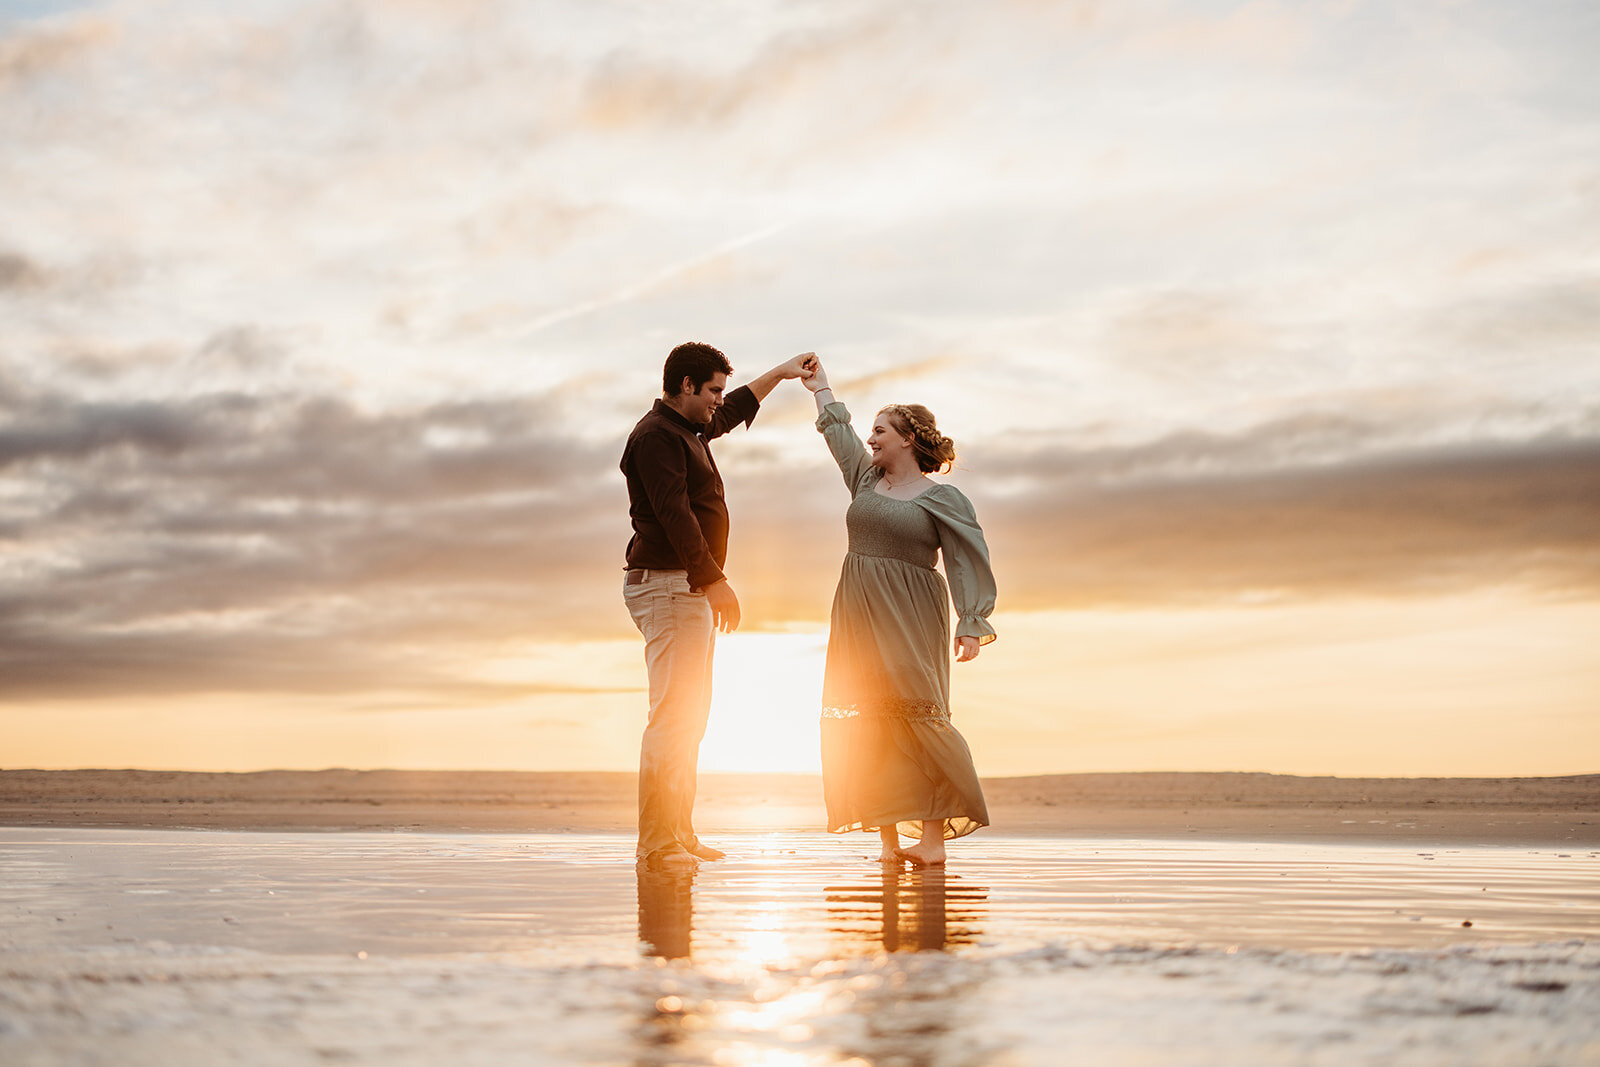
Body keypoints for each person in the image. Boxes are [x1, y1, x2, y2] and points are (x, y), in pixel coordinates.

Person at [621, 341, 815, 868]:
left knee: (691, 718)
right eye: (711, 390)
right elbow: (674, 513)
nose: (717, 401)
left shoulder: (684, 427)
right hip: (669, 585)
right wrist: (715, 580)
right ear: (686, 386)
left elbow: (729, 414)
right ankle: (657, 844)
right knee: (672, 718)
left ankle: (678, 835)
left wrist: (779, 374)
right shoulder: (656, 437)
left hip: (684, 587)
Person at [802, 356, 997, 866]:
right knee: (869, 721)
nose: (871, 439)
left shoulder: (942, 498)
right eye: (871, 431)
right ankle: (888, 844)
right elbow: (837, 433)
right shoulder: (864, 480)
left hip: (913, 613)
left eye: (880, 431)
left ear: (908, 439)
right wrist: (820, 386)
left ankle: (932, 842)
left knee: (922, 716)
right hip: (858, 613)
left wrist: (971, 622)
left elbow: (965, 560)